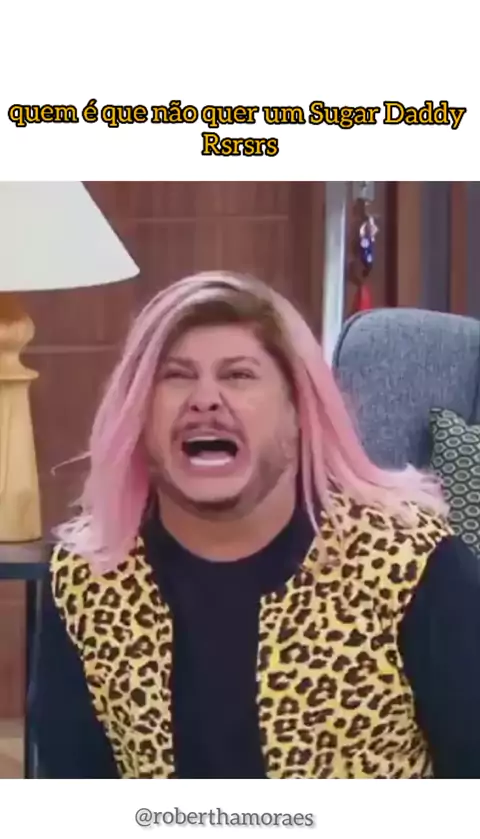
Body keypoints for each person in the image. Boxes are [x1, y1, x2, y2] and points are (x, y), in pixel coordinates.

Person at [30, 270, 480, 779]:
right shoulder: (86, 577)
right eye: (176, 376)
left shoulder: (413, 563)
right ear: (138, 415)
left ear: (298, 412)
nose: (205, 399)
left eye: (239, 375)